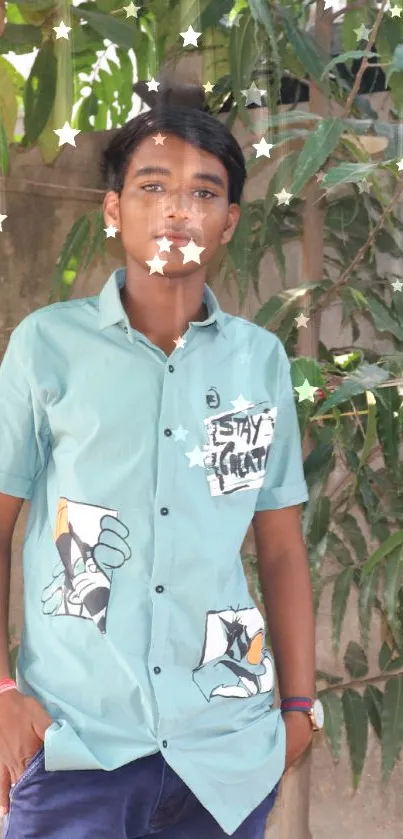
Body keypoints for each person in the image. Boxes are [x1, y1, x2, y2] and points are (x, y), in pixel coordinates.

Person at [0, 82, 321, 839]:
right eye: (153, 186)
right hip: (77, 743)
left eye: (203, 191)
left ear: (228, 223)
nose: (178, 207)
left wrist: (297, 711)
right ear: (114, 210)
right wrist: (3, 692)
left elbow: (277, 549)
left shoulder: (260, 360)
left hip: (226, 752)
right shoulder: (47, 346)